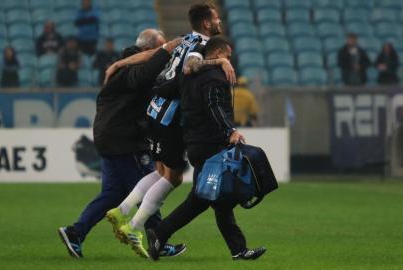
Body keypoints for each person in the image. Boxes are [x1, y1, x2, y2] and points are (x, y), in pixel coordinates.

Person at [105, 3, 236, 257]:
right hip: (169, 116)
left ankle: (120, 210)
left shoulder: (183, 39)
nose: (219, 21)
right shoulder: (199, 47)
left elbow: (151, 55)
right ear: (207, 24)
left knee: (161, 170)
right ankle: (133, 225)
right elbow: (190, 67)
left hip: (154, 109)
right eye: (216, 18)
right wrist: (219, 60)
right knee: (173, 177)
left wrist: (120, 64)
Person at [58, 29, 184, 258]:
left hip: (113, 137)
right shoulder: (131, 69)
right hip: (124, 139)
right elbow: (143, 77)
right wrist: (165, 53)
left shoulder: (124, 65)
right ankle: (159, 239)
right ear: (148, 50)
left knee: (112, 194)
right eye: (162, 47)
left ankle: (75, 232)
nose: (166, 52)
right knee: (149, 183)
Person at [147, 36, 266, 261]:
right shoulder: (214, 77)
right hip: (211, 144)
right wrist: (230, 130)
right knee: (203, 198)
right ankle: (159, 233)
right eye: (228, 57)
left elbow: (163, 89)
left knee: (220, 199)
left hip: (194, 143)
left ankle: (238, 250)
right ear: (219, 54)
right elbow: (214, 105)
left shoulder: (187, 74)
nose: (230, 61)